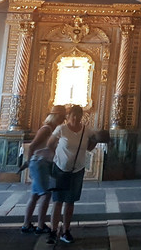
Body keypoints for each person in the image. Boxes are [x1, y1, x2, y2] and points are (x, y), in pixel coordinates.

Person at [46, 105, 94, 245]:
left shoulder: (86, 130)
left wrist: (97, 140)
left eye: (78, 115)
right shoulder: (61, 129)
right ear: (68, 116)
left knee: (70, 202)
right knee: (58, 201)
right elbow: (50, 144)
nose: (76, 118)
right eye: (73, 115)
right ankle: (53, 230)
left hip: (77, 170)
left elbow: (90, 146)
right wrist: (57, 156)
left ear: (81, 116)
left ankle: (66, 230)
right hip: (60, 169)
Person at [21, 104, 66, 234]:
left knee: (35, 195)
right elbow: (33, 146)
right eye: (62, 117)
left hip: (43, 163)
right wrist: (29, 163)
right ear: (55, 116)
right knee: (46, 195)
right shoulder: (46, 129)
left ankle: (26, 224)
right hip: (40, 163)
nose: (63, 120)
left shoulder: (54, 130)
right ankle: (40, 226)